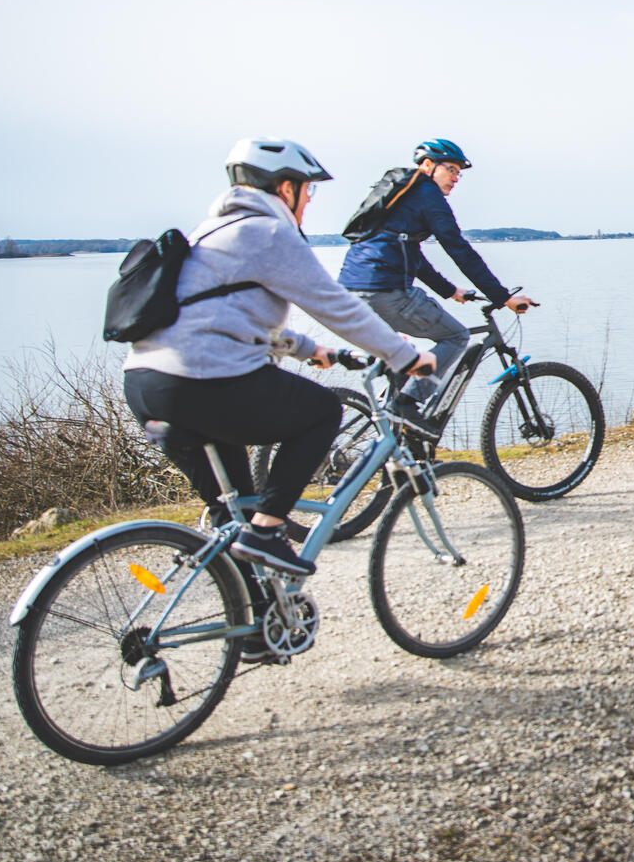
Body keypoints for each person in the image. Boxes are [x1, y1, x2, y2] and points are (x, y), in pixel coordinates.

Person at [124, 138, 433, 577]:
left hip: (147, 384)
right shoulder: (267, 231)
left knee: (234, 521)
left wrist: (310, 349)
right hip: (199, 381)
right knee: (323, 411)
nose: (309, 199)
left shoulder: (211, 232)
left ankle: (254, 635)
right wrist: (403, 355)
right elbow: (334, 304)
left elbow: (227, 319)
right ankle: (269, 533)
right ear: (284, 187)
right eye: (308, 189)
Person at [337, 138, 533, 429]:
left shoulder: (401, 195)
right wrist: (502, 297)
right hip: (385, 290)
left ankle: (392, 440)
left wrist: (450, 291)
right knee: (455, 337)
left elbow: (411, 253)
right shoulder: (428, 195)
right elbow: (458, 249)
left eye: (458, 173)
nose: (455, 178)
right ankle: (407, 404)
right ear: (427, 165)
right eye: (451, 170)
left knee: (403, 363)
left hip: (349, 292)